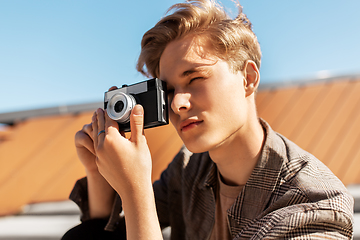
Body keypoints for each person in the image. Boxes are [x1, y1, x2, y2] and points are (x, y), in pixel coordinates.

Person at [62, 0, 354, 239]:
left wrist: (136, 190)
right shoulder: (189, 167)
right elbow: (115, 232)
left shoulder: (314, 206)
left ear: (248, 79)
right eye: (169, 90)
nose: (177, 103)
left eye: (196, 78)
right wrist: (98, 172)